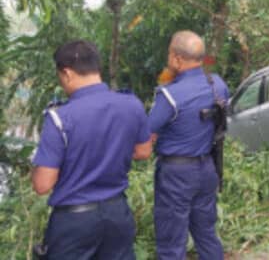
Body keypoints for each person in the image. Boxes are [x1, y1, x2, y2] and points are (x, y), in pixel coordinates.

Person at [31, 40, 152, 259]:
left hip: (74, 222)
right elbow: (143, 152)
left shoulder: (60, 118)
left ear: (67, 73)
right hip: (117, 213)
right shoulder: (131, 104)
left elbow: (42, 184)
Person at [149, 31, 229, 259]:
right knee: (206, 233)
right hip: (207, 168)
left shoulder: (170, 96)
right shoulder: (218, 85)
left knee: (171, 243)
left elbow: (146, 132)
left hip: (176, 174)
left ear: (176, 58)